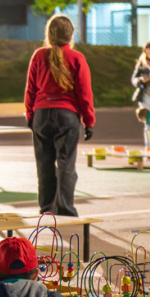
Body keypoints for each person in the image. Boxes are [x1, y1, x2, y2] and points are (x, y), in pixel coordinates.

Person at [24, 15, 95, 218]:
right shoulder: (76, 58)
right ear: (71, 34)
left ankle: (47, 208)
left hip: (41, 114)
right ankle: (65, 207)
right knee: (66, 164)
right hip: (67, 115)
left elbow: (31, 89)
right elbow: (84, 92)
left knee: (44, 164)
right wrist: (89, 121)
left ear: (49, 33)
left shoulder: (38, 55)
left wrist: (30, 114)